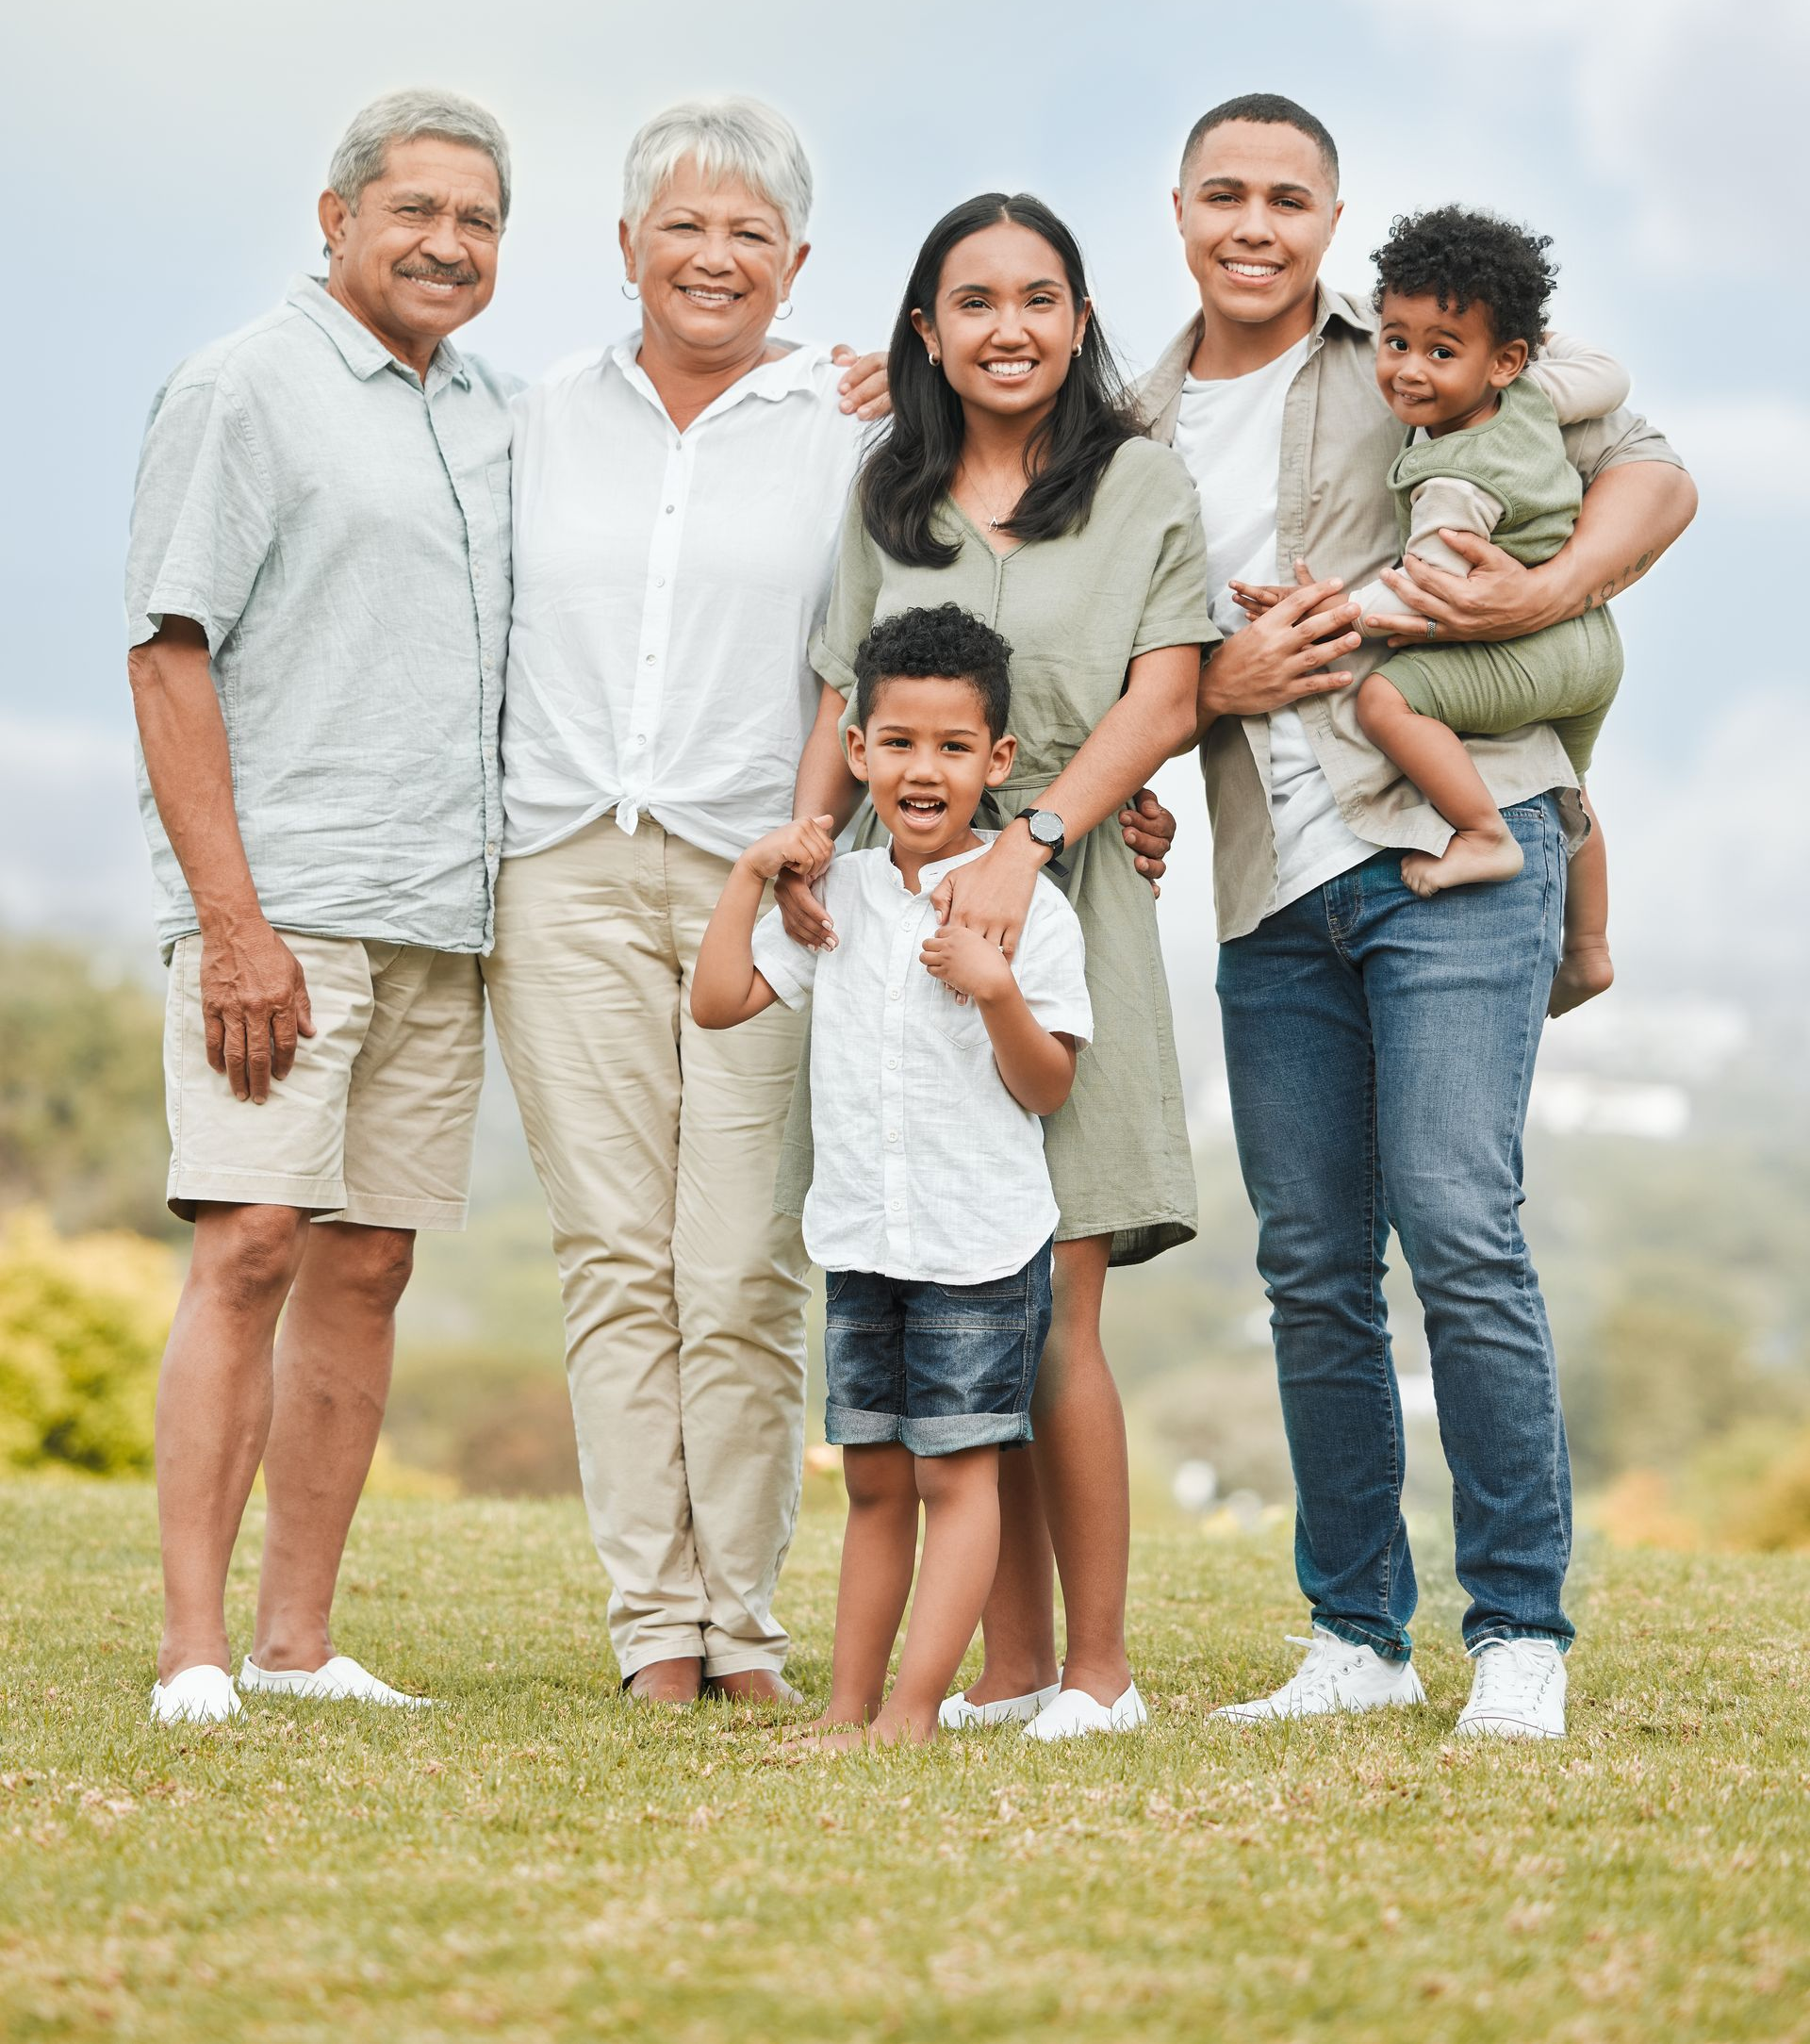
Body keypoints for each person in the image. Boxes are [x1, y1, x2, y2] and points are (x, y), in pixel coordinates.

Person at [1142, 93, 1697, 1738]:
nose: (1254, 221)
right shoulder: (1132, 413)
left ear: (1328, 215)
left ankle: (1517, 1624)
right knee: (1313, 1264)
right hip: (1273, 882)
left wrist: (1548, 588)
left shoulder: (1412, 344)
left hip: (1462, 834)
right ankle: (1355, 1636)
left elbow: (1651, 473)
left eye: (1287, 196)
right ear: (1181, 210)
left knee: (1459, 1221)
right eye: (1224, 193)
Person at [780, 190, 1351, 1739]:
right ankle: (1012, 1665)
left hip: (1063, 895)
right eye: (975, 301)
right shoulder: (884, 492)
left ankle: (1095, 1665)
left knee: (1060, 1292)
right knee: (965, 1283)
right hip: (897, 925)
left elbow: (1167, 693)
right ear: (925, 331)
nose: (1010, 328)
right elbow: (844, 695)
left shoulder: (1138, 483)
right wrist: (800, 846)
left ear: (1082, 322)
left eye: (1041, 299)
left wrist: (1030, 847)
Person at [484, 97, 902, 1709]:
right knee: (613, 1254)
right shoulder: (535, 418)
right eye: (685, 224)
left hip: (767, 874)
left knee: (735, 1260)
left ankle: (748, 1621)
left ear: (796, 261)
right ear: (627, 246)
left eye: (750, 233)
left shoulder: (856, 425)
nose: (714, 256)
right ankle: (656, 1626)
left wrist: (813, 828)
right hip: (565, 865)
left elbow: (868, 647)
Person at [124, 90, 516, 1723]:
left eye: (479, 220)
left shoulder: (491, 406)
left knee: (366, 1268)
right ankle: (194, 1648)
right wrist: (232, 919)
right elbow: (167, 649)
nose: (446, 243)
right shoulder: (242, 388)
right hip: (284, 909)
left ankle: (300, 1639)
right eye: (414, 210)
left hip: (444, 906)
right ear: (335, 218)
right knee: (252, 1244)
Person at [693, 605, 1091, 1749]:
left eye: (954, 747)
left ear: (996, 762)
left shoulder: (1027, 913)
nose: (926, 769)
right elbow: (717, 1001)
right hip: (863, 1237)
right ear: (857, 748)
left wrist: (998, 988)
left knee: (959, 1480)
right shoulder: (839, 899)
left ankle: (912, 1712)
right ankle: (848, 1707)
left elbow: (1049, 1087)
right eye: (901, 742)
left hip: (977, 1242)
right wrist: (751, 874)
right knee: (874, 1482)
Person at [1233, 206, 1629, 1012]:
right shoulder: (1536, 394)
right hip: (1589, 644)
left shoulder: (1454, 479)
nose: (1409, 370)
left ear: (1501, 360)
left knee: (1385, 697)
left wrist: (1324, 611)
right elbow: (1608, 374)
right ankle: (1587, 949)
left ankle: (1483, 837)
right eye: (1396, 342)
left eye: (1442, 352)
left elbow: (1424, 588)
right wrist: (1530, 343)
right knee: (1571, 781)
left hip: (1534, 649)